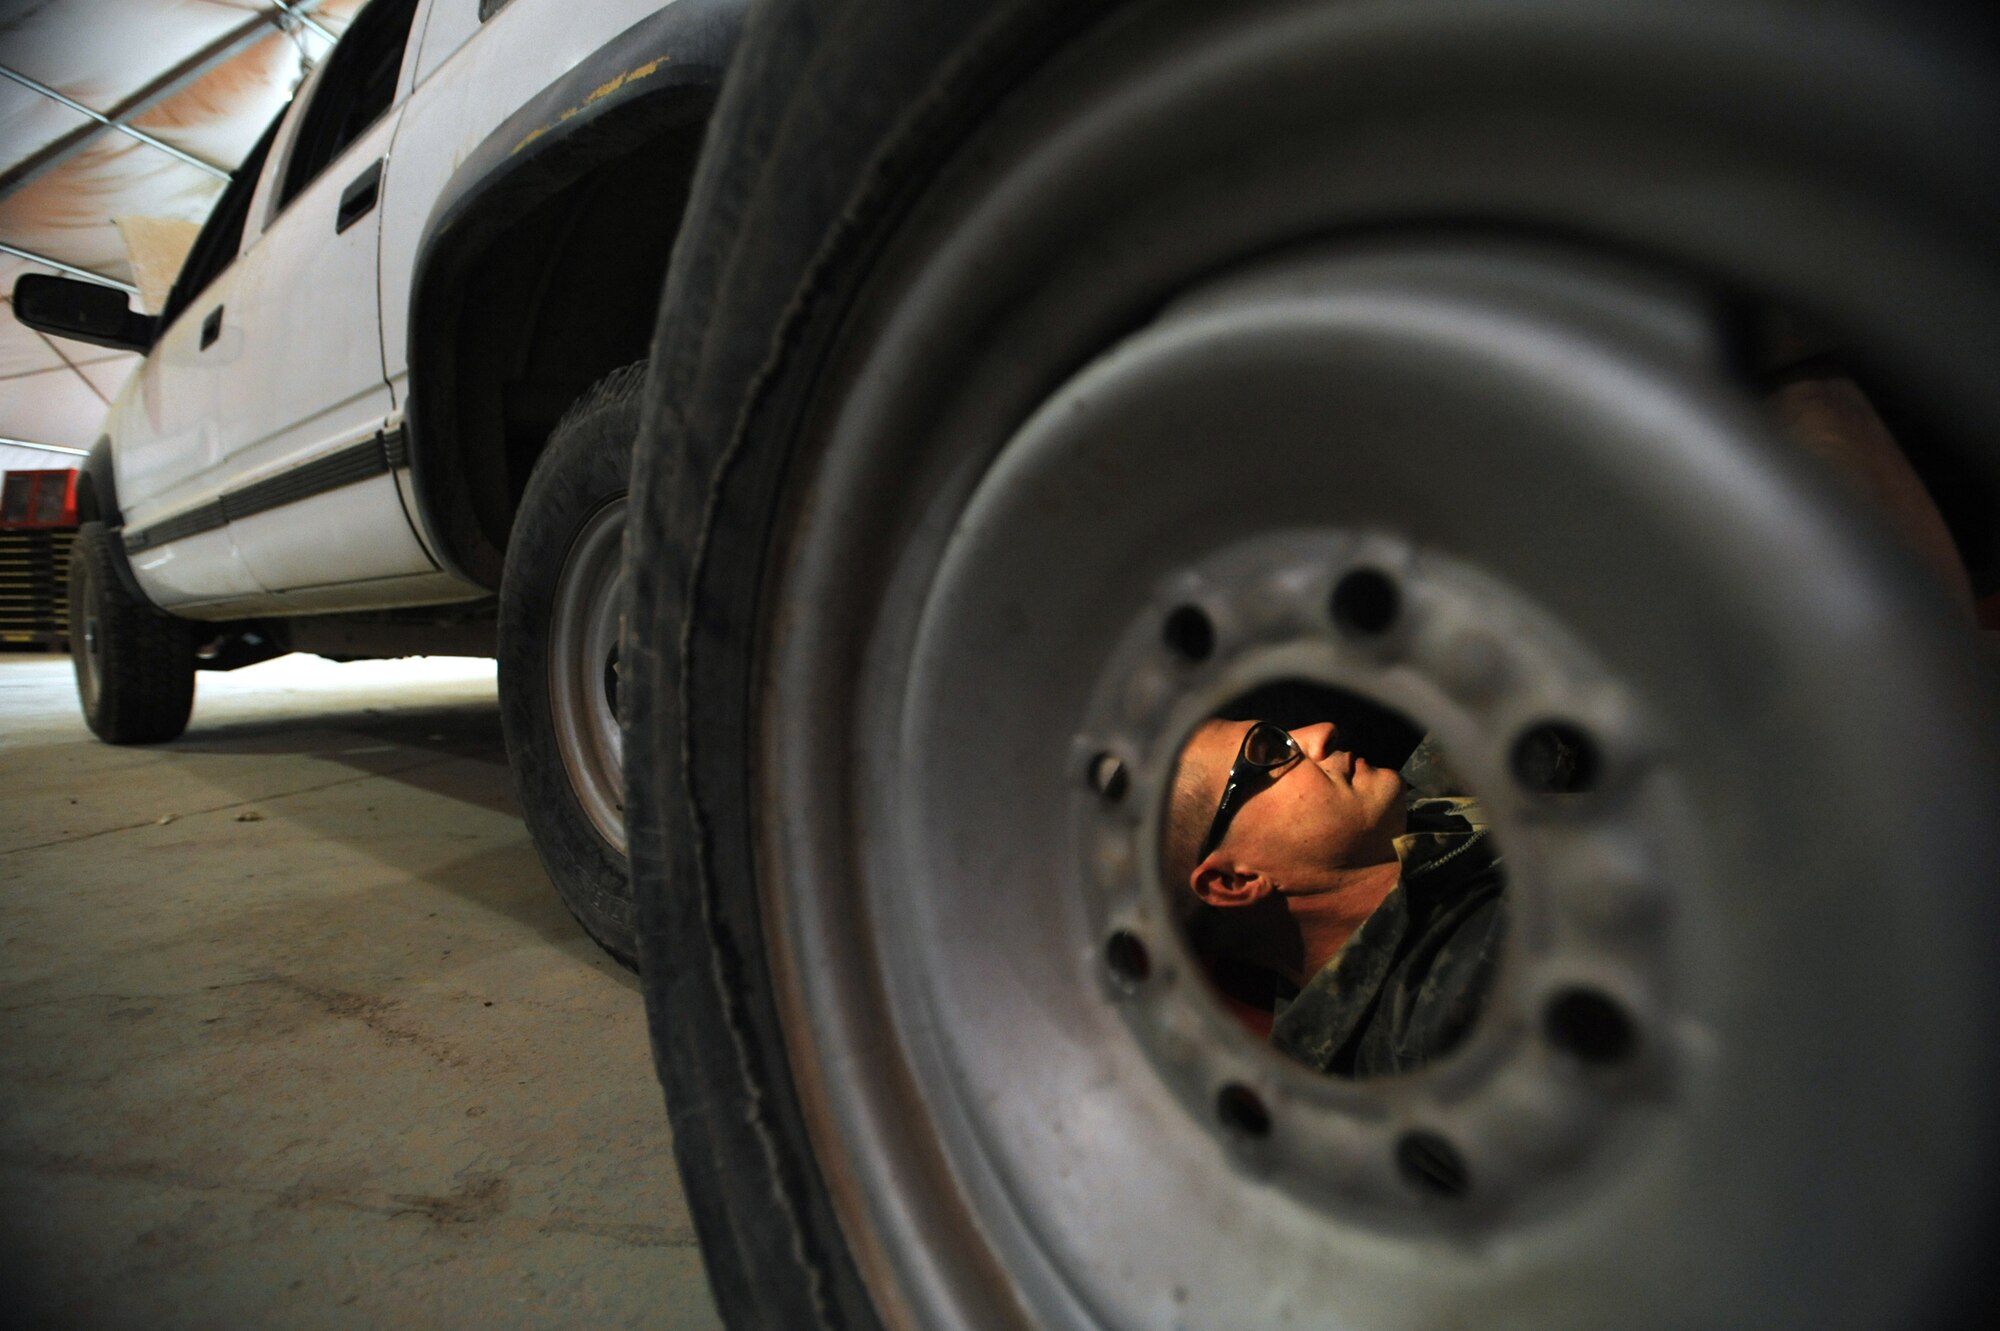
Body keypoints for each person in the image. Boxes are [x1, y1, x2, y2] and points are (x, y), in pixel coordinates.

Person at [1165, 721, 1505, 1078]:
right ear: (1235, 881)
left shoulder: (1393, 827)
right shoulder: (1452, 1028)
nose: (1322, 731)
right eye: (1272, 754)